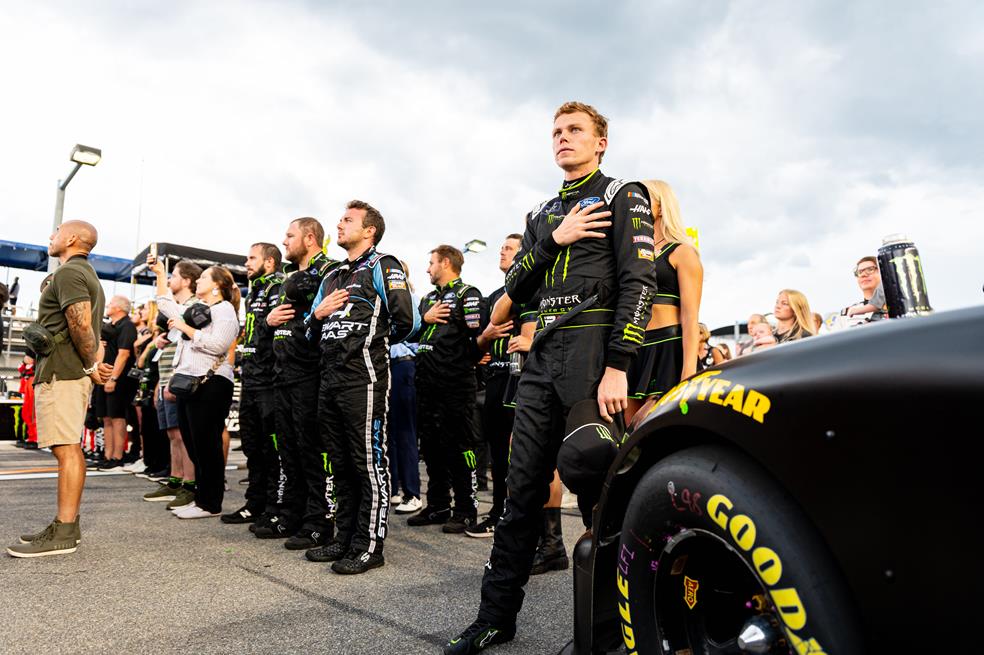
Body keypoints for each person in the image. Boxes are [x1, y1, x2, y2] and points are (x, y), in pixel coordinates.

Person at [445, 101, 656, 653]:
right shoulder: (541, 213)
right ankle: (495, 616)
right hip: (540, 361)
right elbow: (513, 292)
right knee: (520, 493)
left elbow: (640, 282)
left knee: (597, 486)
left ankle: (611, 631)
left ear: (600, 141)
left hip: (593, 360)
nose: (564, 139)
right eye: (556, 132)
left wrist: (618, 366)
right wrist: (554, 239)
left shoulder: (621, 193)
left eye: (575, 131)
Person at [304, 200, 418, 574]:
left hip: (365, 377)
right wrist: (318, 315)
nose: (339, 224)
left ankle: (370, 545)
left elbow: (407, 321)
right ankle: (344, 538)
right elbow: (309, 329)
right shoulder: (332, 275)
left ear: (369, 230)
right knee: (340, 463)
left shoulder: (384, 265)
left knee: (367, 462)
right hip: (329, 377)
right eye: (339, 218)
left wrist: (371, 342)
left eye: (348, 220)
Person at [8, 220, 112, 558]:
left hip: (64, 372)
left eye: (56, 233)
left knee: (67, 449)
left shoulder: (70, 273)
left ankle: (64, 530)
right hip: (68, 370)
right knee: (67, 447)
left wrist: (90, 366)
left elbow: (81, 325)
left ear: (71, 239)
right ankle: (64, 524)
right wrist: (91, 365)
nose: (51, 237)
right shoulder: (82, 274)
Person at [260, 217, 338, 546]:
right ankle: (292, 514)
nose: (284, 241)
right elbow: (278, 315)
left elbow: (319, 307)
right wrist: (268, 319)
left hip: (311, 373)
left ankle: (320, 520)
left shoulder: (329, 270)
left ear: (309, 238)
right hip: (283, 374)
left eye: (289, 236)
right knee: (289, 452)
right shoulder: (290, 279)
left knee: (312, 451)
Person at [152, 260, 241, 519]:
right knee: (194, 443)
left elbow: (218, 344)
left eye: (203, 277)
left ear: (216, 286)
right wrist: (160, 276)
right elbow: (168, 307)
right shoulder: (198, 309)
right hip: (190, 383)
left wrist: (186, 329)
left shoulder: (224, 310)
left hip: (211, 383)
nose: (197, 281)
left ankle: (211, 503)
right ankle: (201, 498)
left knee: (207, 444)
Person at [408, 245, 485, 535]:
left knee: (460, 447)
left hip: (456, 386)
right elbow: (410, 331)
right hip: (426, 386)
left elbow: (479, 335)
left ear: (446, 262)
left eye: (431, 263)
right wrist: (424, 319)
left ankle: (467, 510)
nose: (428, 269)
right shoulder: (428, 298)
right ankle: (438, 505)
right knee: (431, 448)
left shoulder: (468, 294)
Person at [624, 179, 702, 423]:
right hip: (633, 349)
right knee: (626, 435)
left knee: (651, 425)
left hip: (668, 350)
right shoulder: (631, 252)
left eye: (643, 198)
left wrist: (688, 372)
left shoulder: (682, 252)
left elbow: (690, 317)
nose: (634, 204)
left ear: (661, 205)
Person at [222, 242, 285, 526]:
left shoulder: (277, 286)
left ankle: (274, 506)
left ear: (269, 262)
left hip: (270, 381)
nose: (246, 263)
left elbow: (274, 333)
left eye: (251, 258)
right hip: (250, 377)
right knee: (251, 445)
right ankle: (254, 503)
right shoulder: (254, 289)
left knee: (270, 448)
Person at [467, 234, 525, 538]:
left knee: (523, 455)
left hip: (524, 381)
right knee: (498, 453)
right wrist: (487, 335)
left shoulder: (532, 290)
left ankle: (523, 518)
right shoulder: (492, 297)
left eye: (508, 248)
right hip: (495, 381)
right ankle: (498, 512)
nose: (501, 251)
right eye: (500, 246)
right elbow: (474, 351)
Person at [141, 261, 203, 504]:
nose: (170, 280)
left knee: (182, 434)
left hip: (179, 378)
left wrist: (157, 274)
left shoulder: (194, 307)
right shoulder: (181, 308)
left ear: (187, 281)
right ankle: (175, 480)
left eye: (174, 275)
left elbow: (166, 306)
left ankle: (189, 483)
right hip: (167, 376)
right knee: (172, 433)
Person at [389, 260, 422, 515]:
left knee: (405, 432)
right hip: (383, 367)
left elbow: (415, 330)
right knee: (387, 433)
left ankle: (412, 492)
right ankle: (393, 489)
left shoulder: (410, 298)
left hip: (402, 366)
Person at [91, 295, 139, 470]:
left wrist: (113, 378)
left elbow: (124, 354)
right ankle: (108, 455)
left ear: (119, 308)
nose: (108, 306)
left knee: (117, 417)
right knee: (106, 417)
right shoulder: (109, 327)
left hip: (119, 379)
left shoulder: (127, 326)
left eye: (110, 304)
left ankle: (118, 456)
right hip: (104, 376)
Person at [842, 256, 887, 321]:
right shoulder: (844, 317)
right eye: (860, 272)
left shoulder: (901, 303)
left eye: (870, 269)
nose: (863, 275)